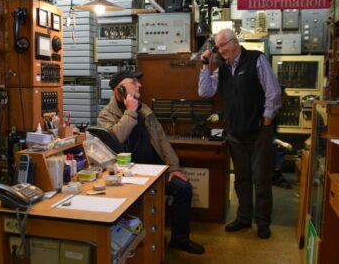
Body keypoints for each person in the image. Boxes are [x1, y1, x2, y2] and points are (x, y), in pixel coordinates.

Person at [97, 70, 205, 254]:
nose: (139, 85)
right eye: (134, 82)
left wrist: (173, 168)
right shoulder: (105, 116)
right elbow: (115, 139)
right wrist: (130, 112)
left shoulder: (145, 110)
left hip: (155, 172)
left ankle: (180, 239)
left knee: (183, 188)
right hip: (127, 176)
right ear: (119, 89)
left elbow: (162, 140)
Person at [198, 29, 282, 239]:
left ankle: (262, 222)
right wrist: (206, 65)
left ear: (234, 42)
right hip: (236, 133)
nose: (221, 51)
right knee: (241, 179)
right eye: (218, 48)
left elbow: (273, 92)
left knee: (261, 180)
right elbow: (205, 92)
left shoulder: (256, 59)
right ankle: (244, 218)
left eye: (224, 45)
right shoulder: (224, 69)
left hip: (259, 132)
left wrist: (267, 120)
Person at [272, 86, 293, 189]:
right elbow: (268, 132)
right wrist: (280, 142)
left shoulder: (276, 109)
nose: (285, 98)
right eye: (283, 96)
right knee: (279, 148)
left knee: (279, 148)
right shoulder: (270, 109)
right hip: (263, 138)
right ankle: (276, 176)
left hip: (271, 135)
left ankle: (276, 174)